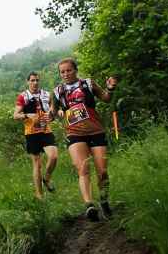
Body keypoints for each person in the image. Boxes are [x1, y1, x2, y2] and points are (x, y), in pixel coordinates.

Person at [49, 58, 118, 222]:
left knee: (102, 172)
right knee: (83, 169)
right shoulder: (57, 91)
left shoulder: (88, 83)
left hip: (96, 130)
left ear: (75, 70)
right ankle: (89, 205)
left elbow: (106, 98)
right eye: (62, 72)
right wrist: (50, 115)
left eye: (69, 70)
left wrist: (110, 88)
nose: (66, 74)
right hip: (74, 133)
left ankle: (104, 200)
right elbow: (53, 111)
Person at [13, 72, 59, 199]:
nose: (35, 83)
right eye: (32, 80)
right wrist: (27, 115)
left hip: (46, 131)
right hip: (31, 133)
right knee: (37, 164)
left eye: (37, 80)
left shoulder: (46, 94)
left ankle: (47, 178)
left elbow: (52, 111)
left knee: (54, 157)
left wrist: (53, 115)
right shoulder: (23, 96)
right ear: (28, 82)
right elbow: (15, 115)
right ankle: (39, 195)